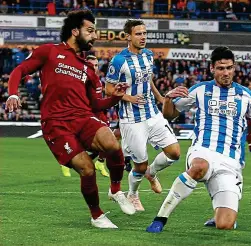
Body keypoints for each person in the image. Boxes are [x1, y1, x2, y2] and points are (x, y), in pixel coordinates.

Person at [4, 10, 134, 228]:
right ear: (75, 31)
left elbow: (95, 105)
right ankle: (97, 215)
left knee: (112, 143)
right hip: (56, 123)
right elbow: (20, 70)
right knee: (87, 168)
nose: (94, 36)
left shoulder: (87, 68)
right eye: (90, 31)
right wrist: (14, 92)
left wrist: (114, 98)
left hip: (83, 117)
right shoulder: (49, 52)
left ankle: (115, 190)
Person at [145, 47, 251, 233]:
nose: (225, 73)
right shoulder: (200, 90)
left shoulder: (245, 95)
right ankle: (160, 219)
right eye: (221, 68)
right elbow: (170, 115)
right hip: (203, 150)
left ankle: (220, 214)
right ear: (212, 68)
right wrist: (168, 99)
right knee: (199, 166)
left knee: (225, 225)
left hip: (230, 162)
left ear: (234, 68)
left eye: (229, 68)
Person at [105, 19, 181, 212]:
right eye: (138, 34)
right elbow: (108, 89)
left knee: (174, 152)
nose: (143, 37)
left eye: (145, 33)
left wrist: (160, 97)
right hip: (131, 119)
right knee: (139, 166)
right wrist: (129, 98)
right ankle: (133, 194)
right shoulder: (119, 61)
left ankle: (152, 173)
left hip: (152, 113)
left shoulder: (148, 55)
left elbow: (149, 81)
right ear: (128, 36)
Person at [85, 54, 111, 178]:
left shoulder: (98, 80)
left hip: (100, 113)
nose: (94, 67)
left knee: (108, 140)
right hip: (90, 114)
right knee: (105, 141)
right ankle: (97, 162)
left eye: (96, 65)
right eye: (91, 65)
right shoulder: (84, 81)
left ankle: (98, 162)